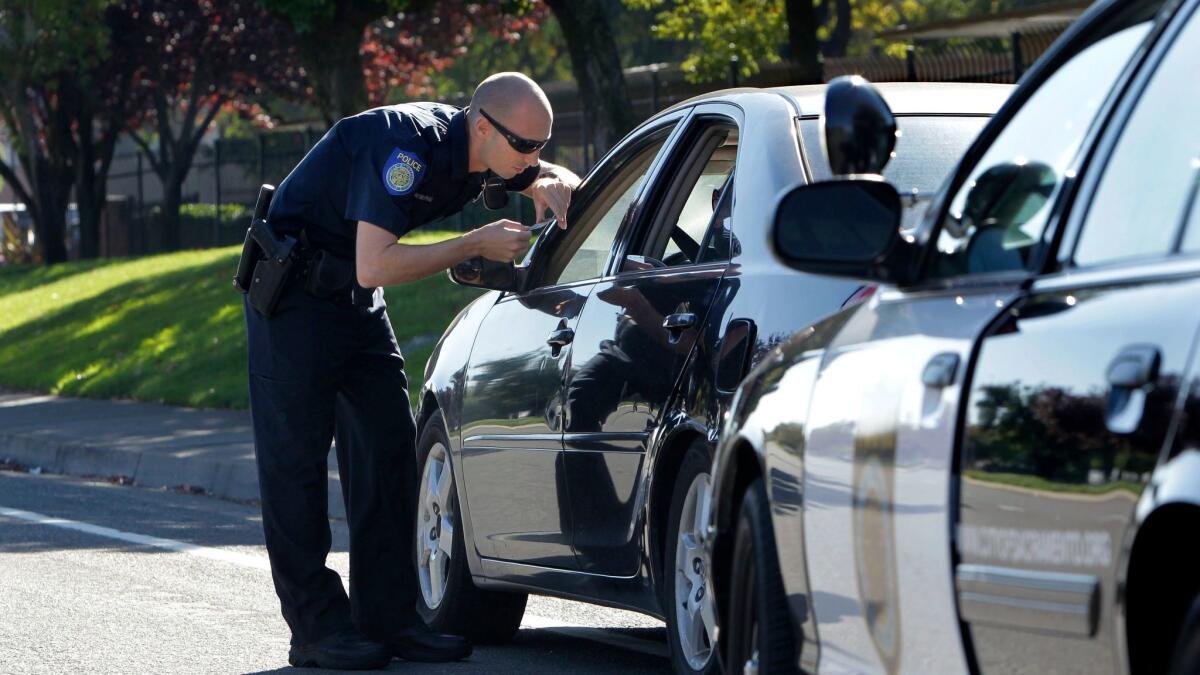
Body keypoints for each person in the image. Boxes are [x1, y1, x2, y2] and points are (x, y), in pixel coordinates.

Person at [242, 72, 580, 670]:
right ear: (482, 126)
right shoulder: (403, 145)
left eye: (540, 144)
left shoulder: (485, 147)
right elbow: (374, 264)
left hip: (354, 307)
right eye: (525, 146)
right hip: (295, 301)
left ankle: (389, 619)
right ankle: (317, 629)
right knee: (295, 468)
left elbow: (541, 171)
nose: (533, 157)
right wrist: (473, 242)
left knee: (388, 455)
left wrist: (549, 180)